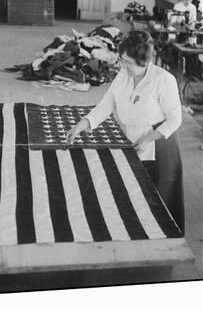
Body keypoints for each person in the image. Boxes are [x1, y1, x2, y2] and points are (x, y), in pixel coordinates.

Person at [66, 31, 184, 231]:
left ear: (144, 61)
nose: (123, 66)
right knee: (134, 195)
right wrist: (83, 123)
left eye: (128, 62)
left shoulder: (164, 80)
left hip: (159, 146)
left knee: (160, 200)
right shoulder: (123, 75)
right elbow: (107, 104)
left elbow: (175, 119)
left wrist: (148, 138)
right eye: (122, 60)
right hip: (132, 141)